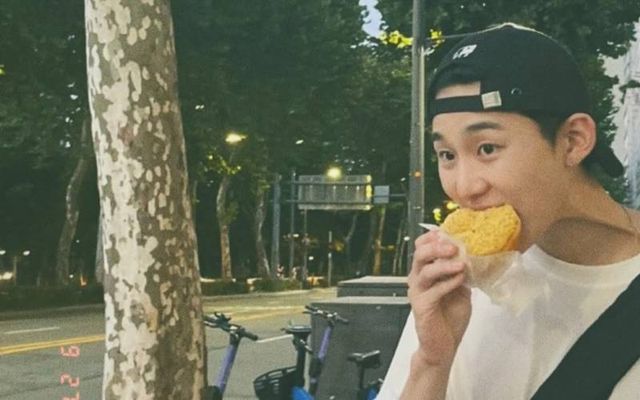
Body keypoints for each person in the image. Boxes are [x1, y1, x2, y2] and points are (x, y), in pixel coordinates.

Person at [377, 23, 640, 399]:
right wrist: (431, 364)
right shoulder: (463, 290)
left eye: (487, 148)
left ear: (573, 141)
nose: (464, 187)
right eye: (447, 155)